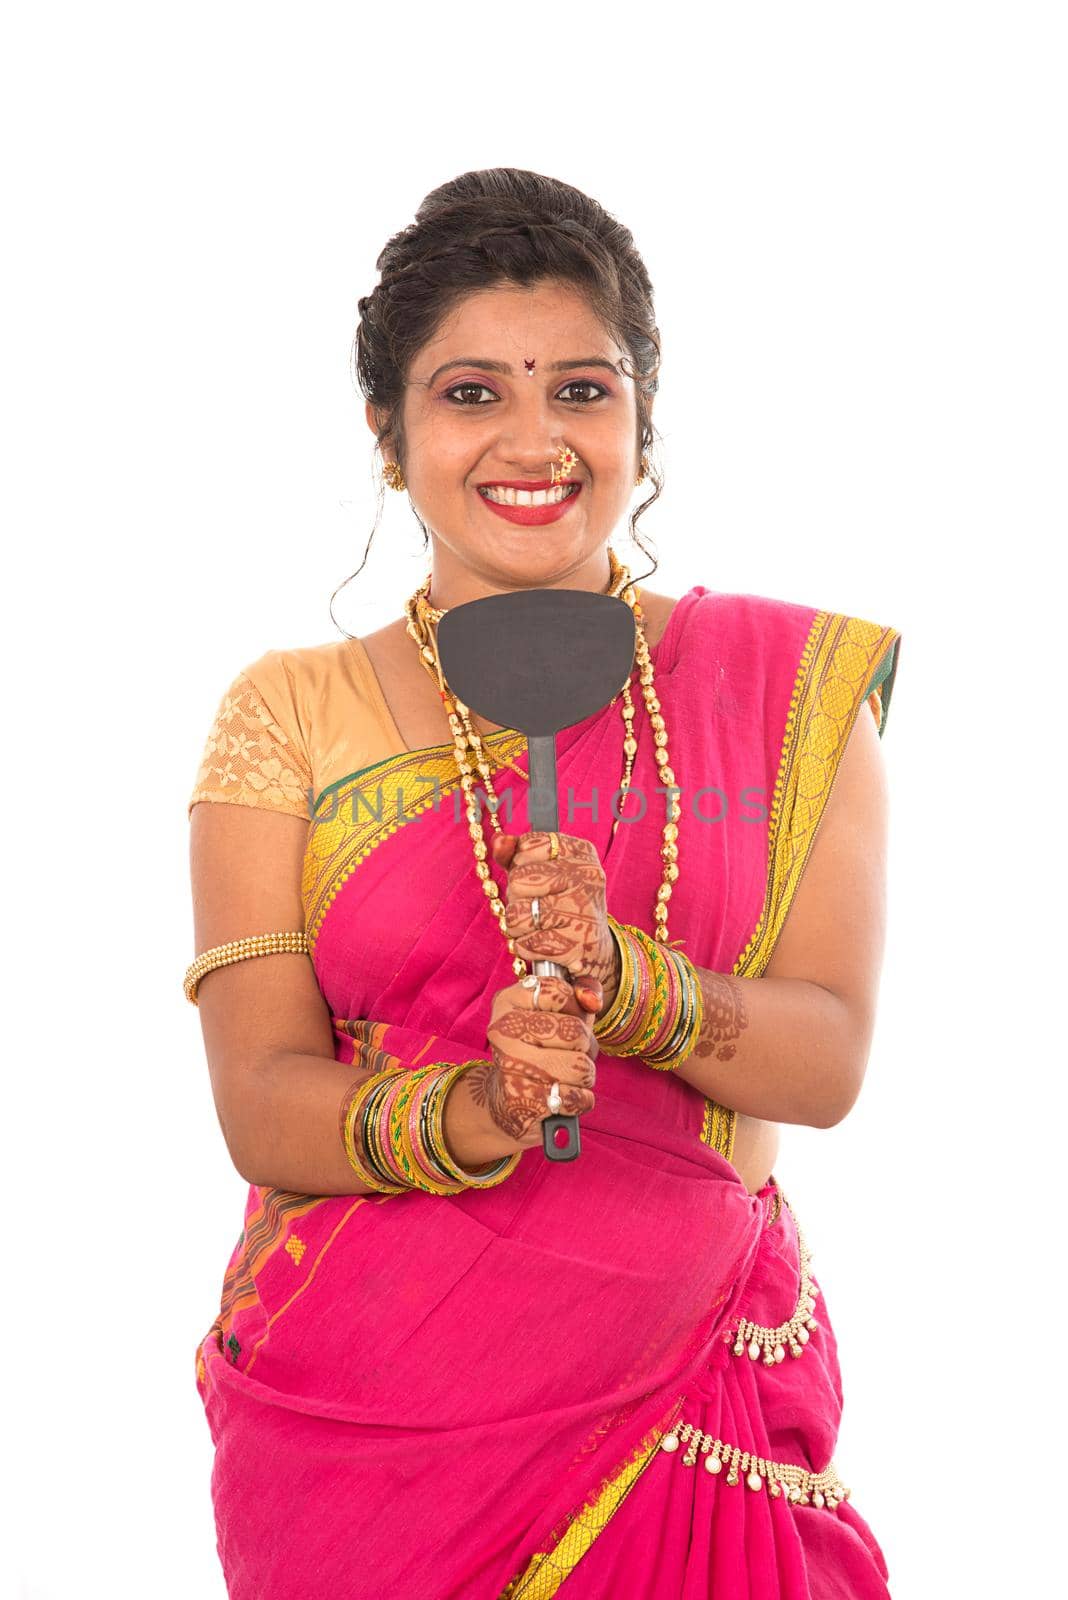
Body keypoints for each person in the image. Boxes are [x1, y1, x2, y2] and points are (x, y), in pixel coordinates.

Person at [185, 168, 900, 1600]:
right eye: (470, 396)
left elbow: (823, 1064)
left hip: (685, 1393)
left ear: (642, 422)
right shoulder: (290, 713)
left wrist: (633, 986)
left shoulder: (785, 690)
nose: (535, 439)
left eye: (583, 390)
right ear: (389, 434)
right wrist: (477, 1108)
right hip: (378, 1436)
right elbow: (260, 1095)